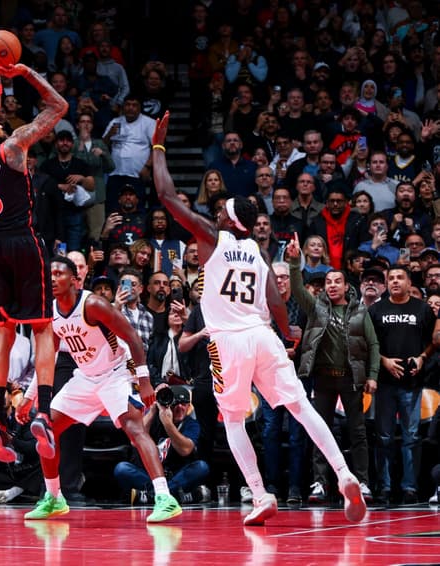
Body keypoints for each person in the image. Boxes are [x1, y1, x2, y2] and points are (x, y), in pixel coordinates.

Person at [151, 111, 366, 526]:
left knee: (232, 418)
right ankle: (344, 474)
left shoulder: (213, 239)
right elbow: (276, 301)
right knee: (301, 407)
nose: (213, 216)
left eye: (219, 212)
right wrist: (287, 333)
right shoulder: (258, 251)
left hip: (228, 341)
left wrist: (159, 147)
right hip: (262, 334)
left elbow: (166, 196)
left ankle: (261, 493)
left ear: (229, 219)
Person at [16, 257, 180, 522]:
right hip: (86, 377)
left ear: (74, 279)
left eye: (59, 273)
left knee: (135, 428)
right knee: (46, 432)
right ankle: (54, 498)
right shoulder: (51, 311)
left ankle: (165, 498)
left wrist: (144, 378)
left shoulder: (92, 304)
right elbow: (49, 358)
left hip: (116, 373)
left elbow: (132, 337)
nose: (52, 278)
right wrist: (29, 396)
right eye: (50, 274)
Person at [0, 58, 68, 463]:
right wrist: (24, 74)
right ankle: (42, 408)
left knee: (5, 331)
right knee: (42, 329)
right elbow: (57, 107)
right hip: (23, 242)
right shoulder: (14, 146)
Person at [284, 235, 378, 505]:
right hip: (323, 379)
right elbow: (299, 290)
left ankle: (362, 481)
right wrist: (293, 263)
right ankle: (321, 483)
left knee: (357, 432)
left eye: (338, 281)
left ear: (347, 286)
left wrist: (372, 376)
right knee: (320, 430)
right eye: (328, 282)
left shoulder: (360, 312)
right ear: (324, 287)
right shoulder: (316, 308)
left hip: (350, 379)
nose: (333, 285)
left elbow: (373, 344)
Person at [368, 266, 438, 505]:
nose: (395, 282)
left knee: (411, 437)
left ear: (409, 283)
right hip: (385, 384)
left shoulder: (422, 309)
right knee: (384, 437)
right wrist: (384, 361)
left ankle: (410, 487)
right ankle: (385, 487)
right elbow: (369, 344)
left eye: (400, 278)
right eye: (391, 279)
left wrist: (422, 357)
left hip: (413, 383)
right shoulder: (376, 310)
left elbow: (433, 342)